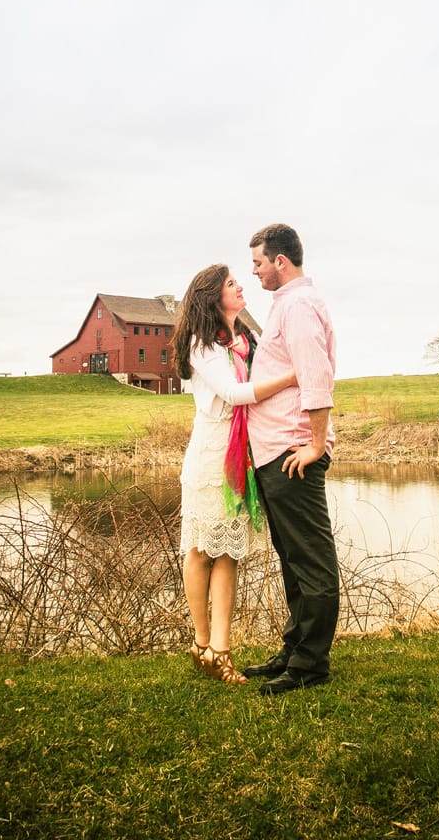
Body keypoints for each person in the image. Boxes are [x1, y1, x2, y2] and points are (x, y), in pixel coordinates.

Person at [172, 263, 297, 686]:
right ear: (212, 296)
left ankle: (222, 652)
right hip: (210, 452)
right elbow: (233, 393)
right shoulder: (201, 344)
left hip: (240, 452)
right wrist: (290, 378)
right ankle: (201, 642)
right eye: (230, 284)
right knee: (201, 549)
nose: (240, 286)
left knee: (229, 552)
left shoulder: (244, 341)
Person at [243, 223, 339, 696]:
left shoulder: (299, 305)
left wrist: (316, 445)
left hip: (293, 450)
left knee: (311, 561)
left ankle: (310, 665)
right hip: (277, 452)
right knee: (292, 559)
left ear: (281, 260)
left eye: (258, 263)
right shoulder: (285, 304)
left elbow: (316, 374)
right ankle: (295, 650)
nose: (255, 272)